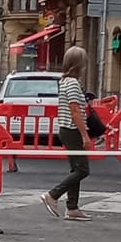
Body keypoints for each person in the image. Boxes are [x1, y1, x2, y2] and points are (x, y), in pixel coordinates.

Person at [41, 46, 95, 220]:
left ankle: (72, 207)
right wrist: (85, 135)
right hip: (72, 130)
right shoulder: (72, 83)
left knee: (76, 168)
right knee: (83, 170)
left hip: (67, 129)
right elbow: (75, 111)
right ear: (79, 65)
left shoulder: (66, 81)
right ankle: (53, 195)